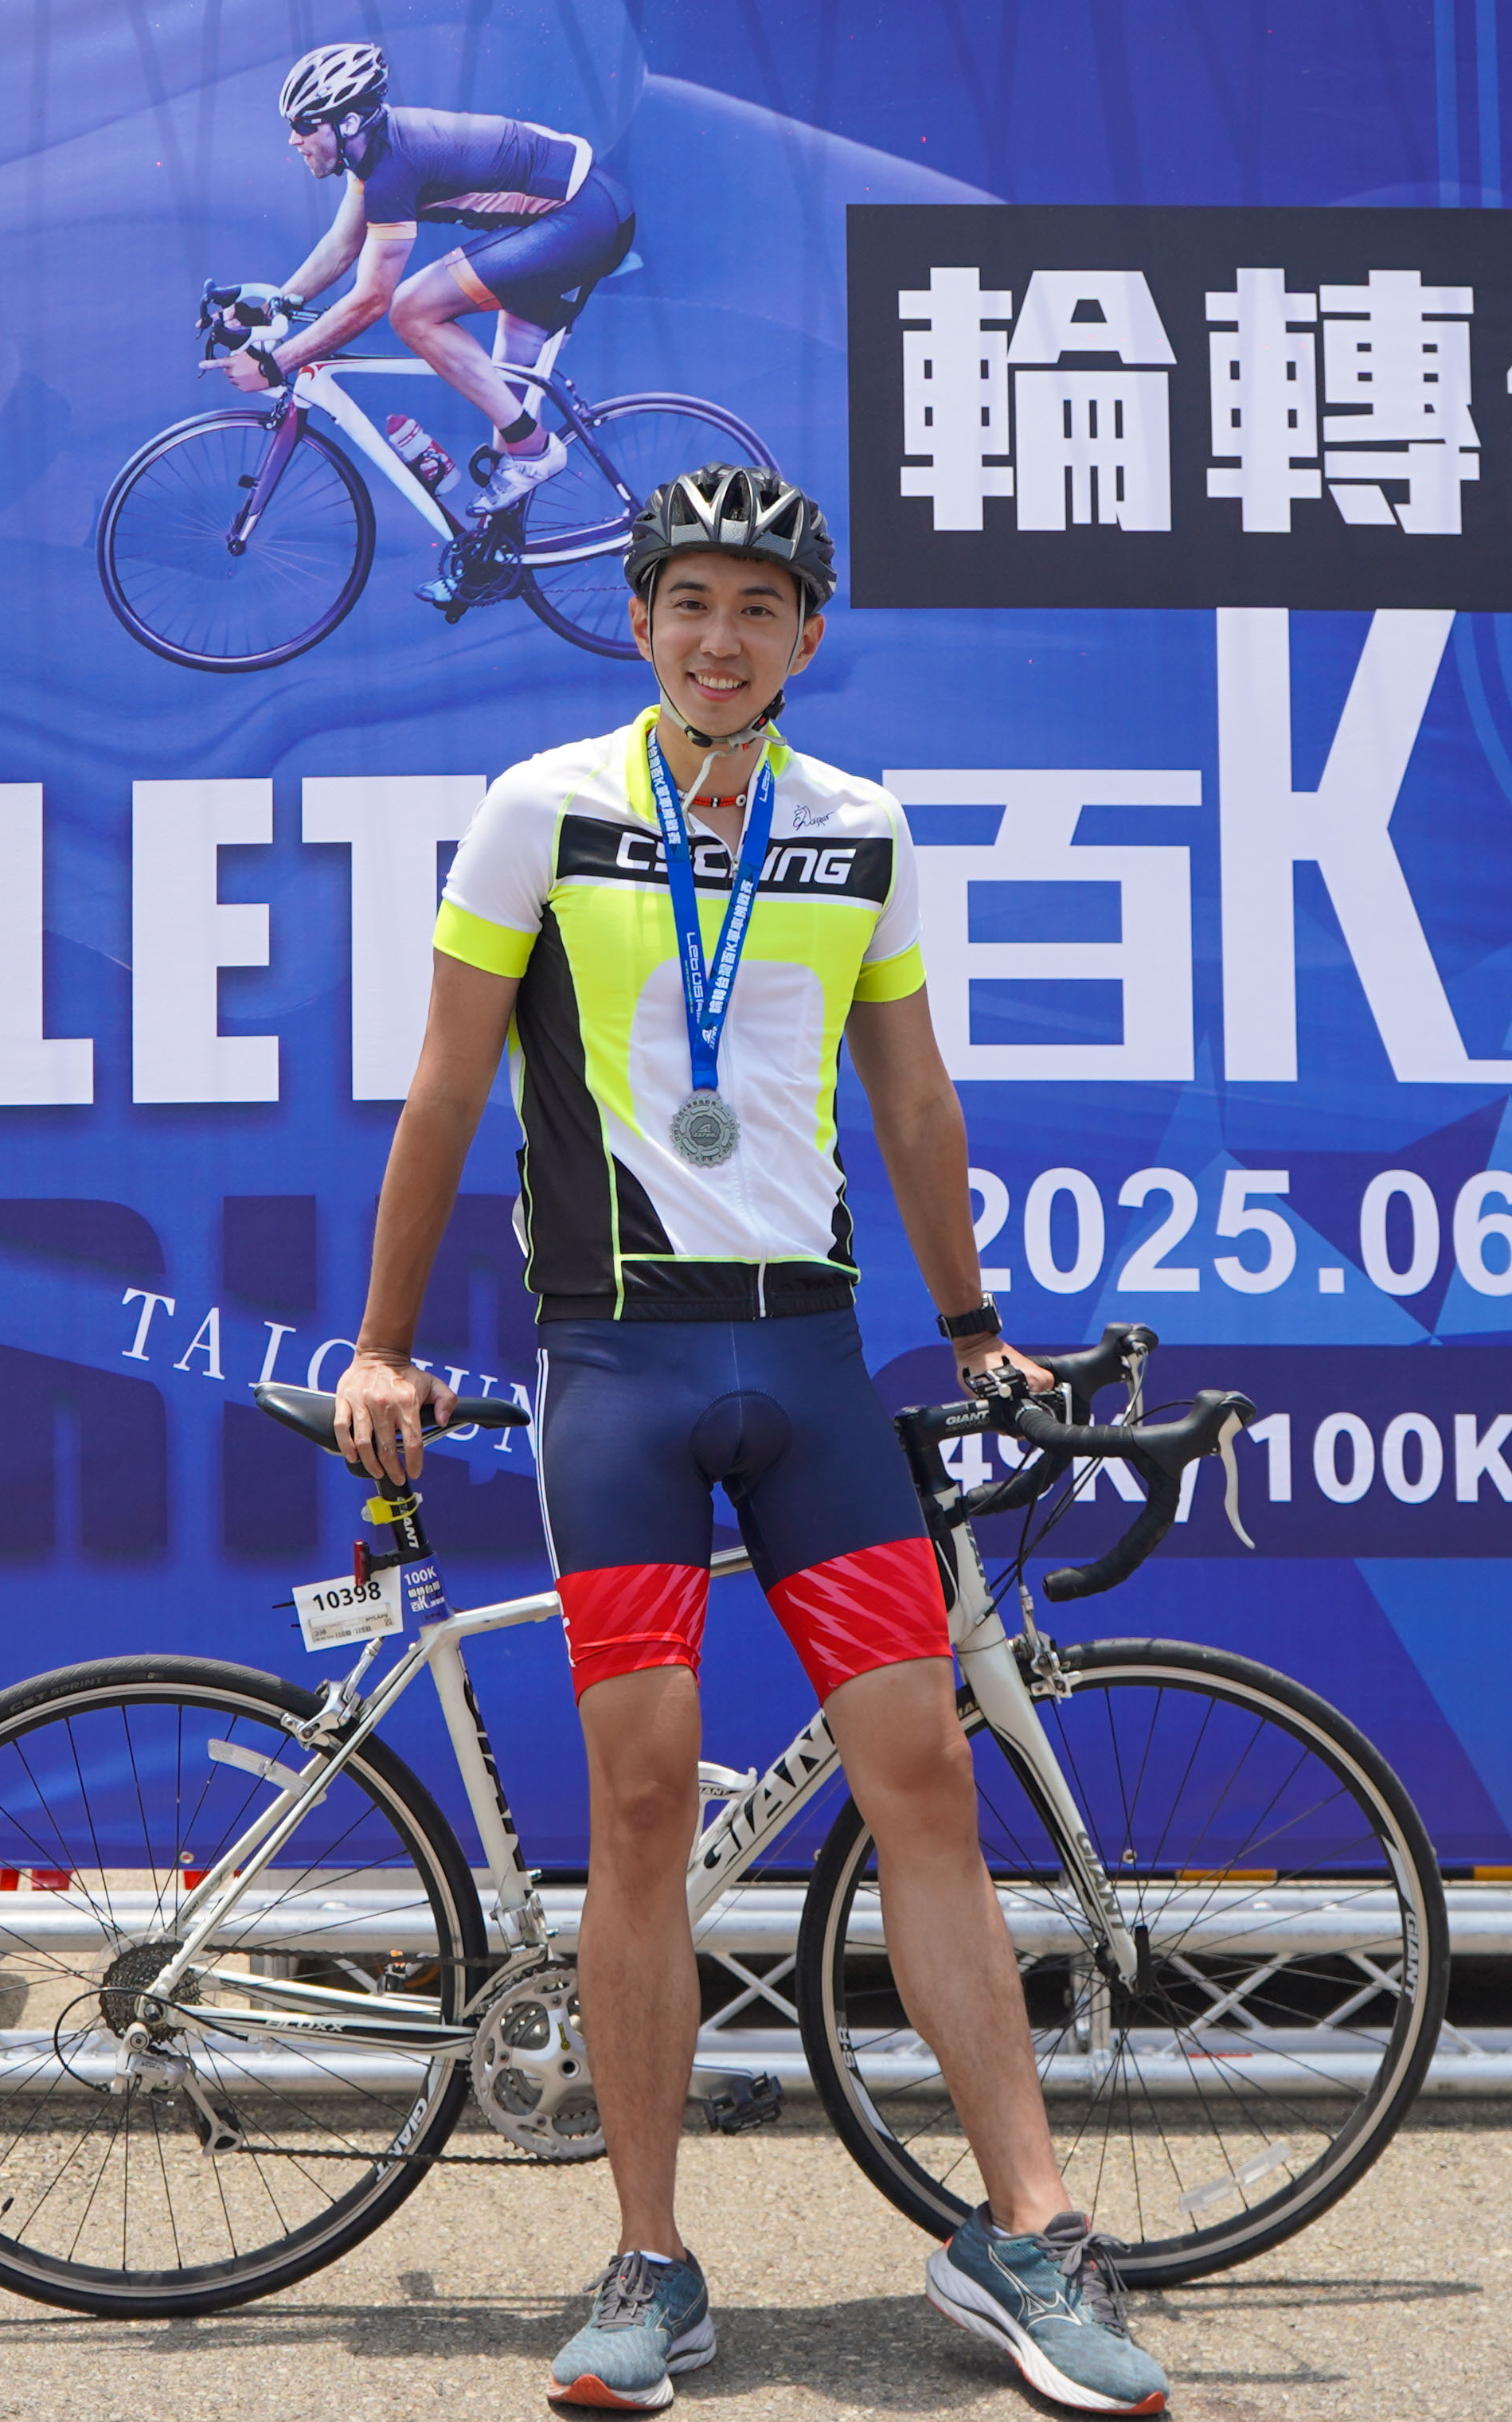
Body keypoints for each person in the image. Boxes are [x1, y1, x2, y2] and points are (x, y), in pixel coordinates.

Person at [328, 467, 1168, 2416]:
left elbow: (915, 1098)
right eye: (689, 601)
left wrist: (975, 1324)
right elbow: (444, 1089)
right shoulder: (544, 808)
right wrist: (380, 1342)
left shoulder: (860, 828)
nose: (721, 636)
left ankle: (1029, 2227)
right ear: (639, 621)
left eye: (760, 606)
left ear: (808, 635)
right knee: (640, 1808)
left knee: (924, 1781)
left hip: (811, 1368)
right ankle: (649, 2259)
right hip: (617, 1372)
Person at [223, 41, 639, 528]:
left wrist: (277, 363)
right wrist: (269, 308)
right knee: (503, 401)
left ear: (348, 123)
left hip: (582, 220)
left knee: (412, 308)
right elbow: (340, 247)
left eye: (304, 125)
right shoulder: (373, 154)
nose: (294, 139)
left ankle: (534, 450)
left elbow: (370, 302)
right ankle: (501, 535)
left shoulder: (393, 168)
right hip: (580, 211)